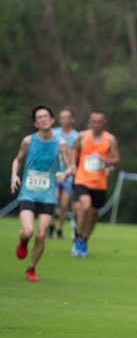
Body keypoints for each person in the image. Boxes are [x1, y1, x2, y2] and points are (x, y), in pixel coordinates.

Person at [11, 105, 72, 281]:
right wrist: (14, 175)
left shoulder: (60, 143)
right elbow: (17, 159)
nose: (43, 119)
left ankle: (31, 268)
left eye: (46, 116)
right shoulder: (28, 141)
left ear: (52, 120)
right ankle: (23, 240)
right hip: (28, 193)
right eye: (39, 117)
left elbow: (70, 167)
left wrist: (65, 173)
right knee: (29, 231)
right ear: (35, 123)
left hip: (48, 194)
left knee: (41, 233)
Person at [70, 110, 120, 257]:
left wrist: (107, 161)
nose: (97, 124)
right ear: (89, 122)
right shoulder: (82, 136)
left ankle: (84, 240)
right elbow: (74, 151)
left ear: (104, 123)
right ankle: (78, 237)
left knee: (93, 215)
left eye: (99, 122)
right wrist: (72, 165)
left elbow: (116, 159)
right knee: (83, 206)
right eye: (94, 121)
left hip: (99, 183)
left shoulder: (110, 139)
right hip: (81, 179)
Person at [50, 106, 79, 239]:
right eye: (62, 118)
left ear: (72, 119)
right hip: (54, 173)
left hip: (68, 175)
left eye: (67, 118)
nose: (64, 120)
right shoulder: (53, 133)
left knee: (63, 204)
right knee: (53, 199)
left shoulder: (77, 137)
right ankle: (51, 224)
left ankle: (60, 228)